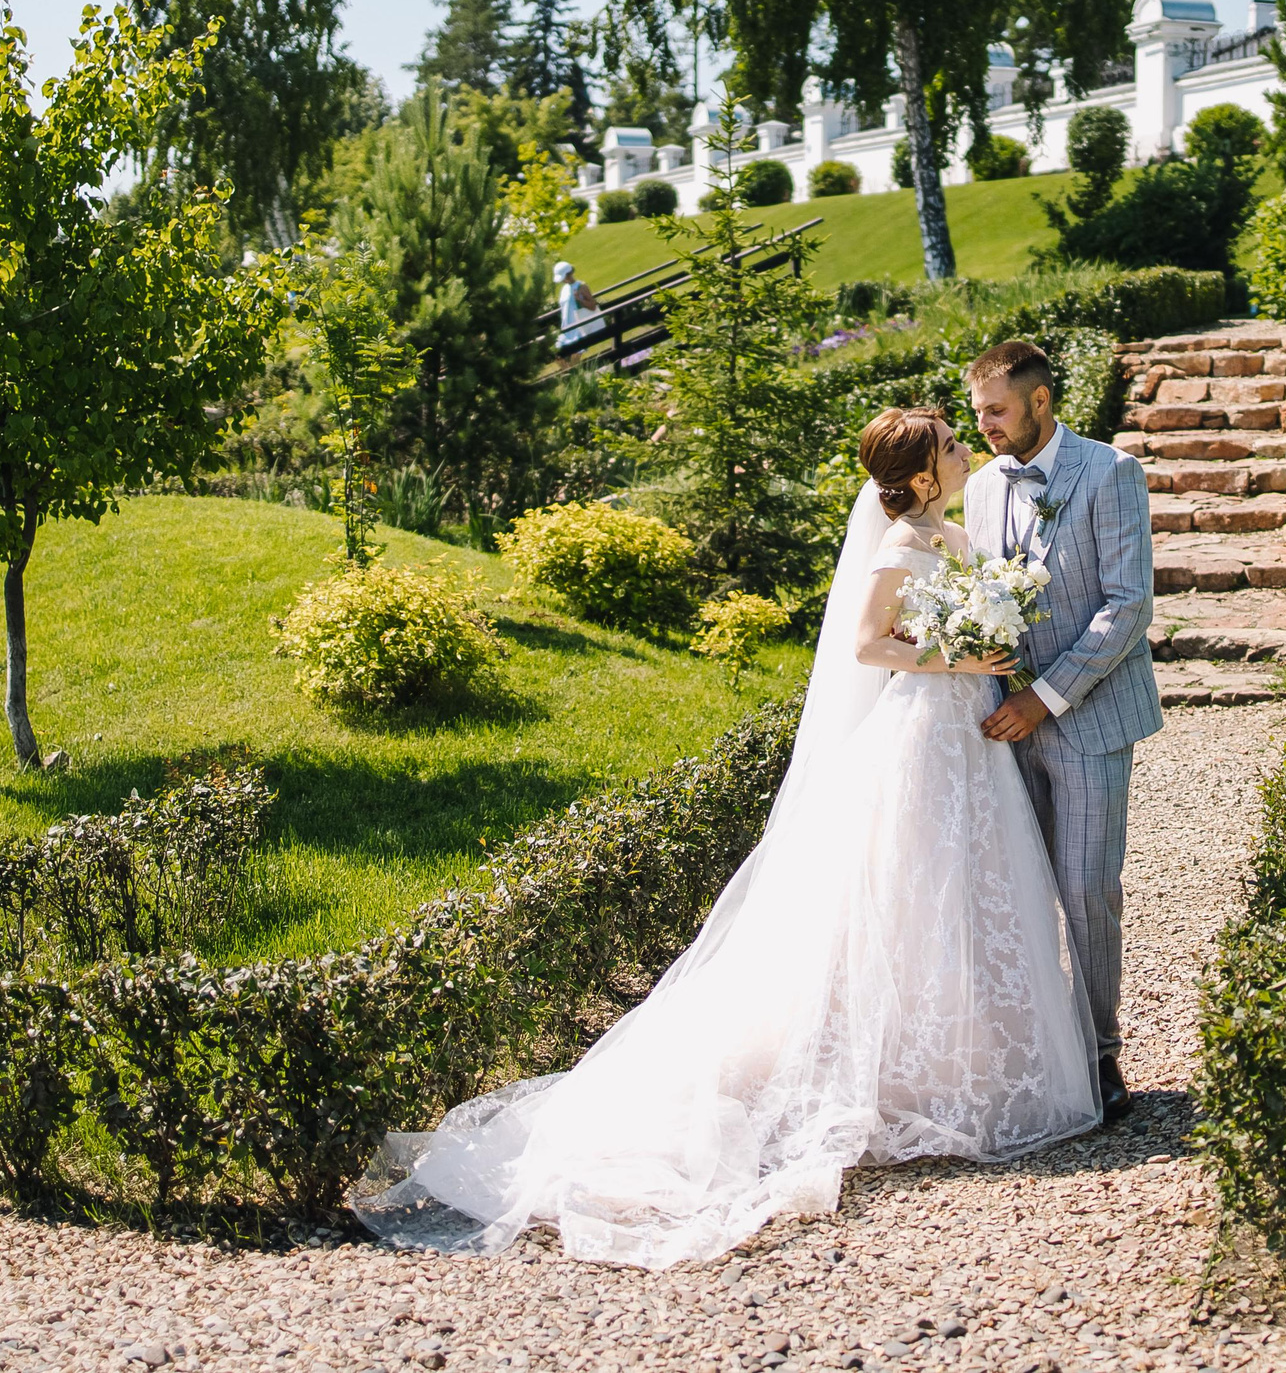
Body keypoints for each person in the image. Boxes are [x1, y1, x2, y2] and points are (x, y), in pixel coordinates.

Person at [360, 406, 1101, 1268]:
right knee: (908, 886)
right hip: (921, 736)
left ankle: (949, 1063)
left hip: (967, 735)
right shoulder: (899, 548)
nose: (962, 445)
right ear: (927, 474)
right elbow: (868, 645)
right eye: (949, 442)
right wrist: (958, 659)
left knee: (966, 894)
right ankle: (874, 1069)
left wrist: (985, 649)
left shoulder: (958, 535)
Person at [959, 340, 1162, 1126]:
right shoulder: (977, 487)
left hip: (1088, 720)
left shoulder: (1111, 472)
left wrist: (1043, 699)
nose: (985, 426)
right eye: (977, 412)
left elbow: (1127, 606)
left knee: (1086, 891)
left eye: (997, 410)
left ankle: (1100, 1052)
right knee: (1017, 891)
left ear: (1040, 402)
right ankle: (1040, 1048)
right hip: (998, 725)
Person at [553, 260, 606, 352]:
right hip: (567, 327)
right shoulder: (565, 288)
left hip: (578, 328)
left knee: (571, 355)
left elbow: (592, 306)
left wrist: (580, 299)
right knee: (561, 356)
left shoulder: (581, 286)